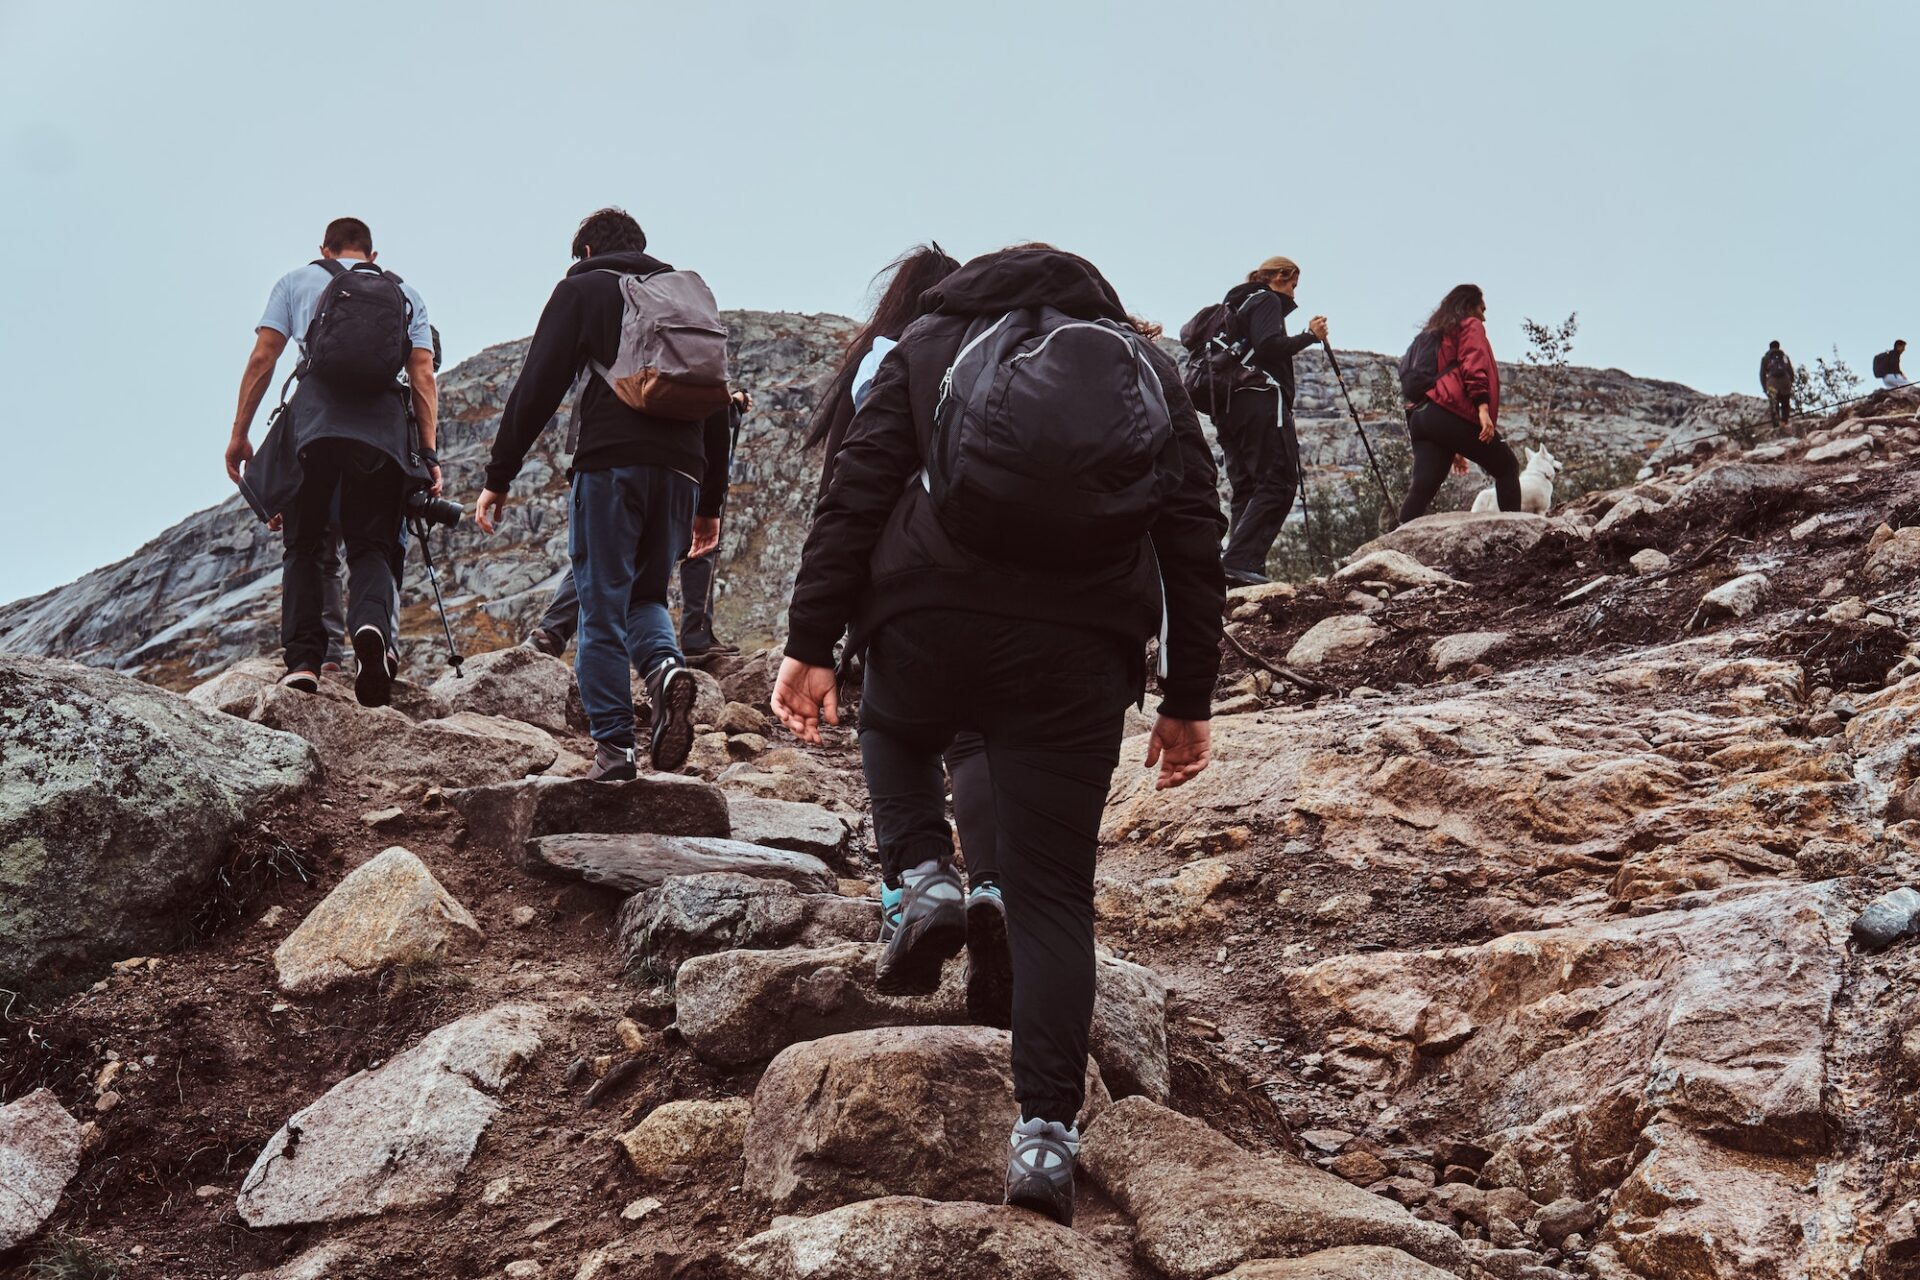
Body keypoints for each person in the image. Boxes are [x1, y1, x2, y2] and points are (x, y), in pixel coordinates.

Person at [771, 245, 1225, 1226]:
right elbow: (1193, 529)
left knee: (892, 725)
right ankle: (1044, 1140)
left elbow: (856, 487)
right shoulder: (1145, 369)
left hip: (931, 620)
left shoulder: (930, 338)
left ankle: (923, 874)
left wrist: (810, 641)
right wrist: (1189, 695)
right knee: (1054, 894)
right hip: (1081, 651)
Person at [475, 207, 730, 781]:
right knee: (645, 598)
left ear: (586, 252)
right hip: (682, 473)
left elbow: (536, 386)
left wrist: (498, 476)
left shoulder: (584, 289)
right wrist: (710, 502)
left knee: (600, 604)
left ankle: (615, 751)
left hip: (611, 465)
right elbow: (715, 395)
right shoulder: (685, 295)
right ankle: (665, 672)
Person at [226, 217, 440, 707]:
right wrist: (427, 453)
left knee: (304, 545)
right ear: (373, 254)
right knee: (372, 547)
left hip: (315, 427)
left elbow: (264, 357)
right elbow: (423, 373)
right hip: (382, 434)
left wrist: (240, 434)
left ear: (324, 249)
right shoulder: (406, 293)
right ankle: (369, 628)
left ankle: (304, 663)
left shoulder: (296, 281)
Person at [527, 388, 753, 660]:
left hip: (614, 463)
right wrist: (732, 404)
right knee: (698, 548)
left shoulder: (626, 357)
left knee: (601, 554)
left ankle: (550, 633)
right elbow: (703, 405)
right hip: (677, 470)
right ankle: (693, 638)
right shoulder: (688, 352)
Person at [1207, 256, 1328, 586]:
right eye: (1292, 283)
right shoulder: (1265, 300)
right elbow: (1269, 346)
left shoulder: (1236, 306)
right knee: (1278, 482)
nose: (1293, 291)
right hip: (1260, 400)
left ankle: (1242, 569)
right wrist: (1310, 336)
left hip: (1229, 407)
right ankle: (1239, 561)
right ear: (1277, 278)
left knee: (1246, 487)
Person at [1397, 284, 1521, 525]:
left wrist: (1452, 444)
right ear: (1468, 307)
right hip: (1447, 411)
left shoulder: (1437, 332)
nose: (1484, 317)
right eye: (1481, 309)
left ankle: (1394, 547)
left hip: (1422, 417)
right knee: (1507, 467)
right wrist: (1482, 408)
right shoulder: (1470, 325)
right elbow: (1473, 364)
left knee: (1423, 486)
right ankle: (1515, 537)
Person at [1760, 340, 1794, 429]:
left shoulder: (1766, 358)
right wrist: (1791, 383)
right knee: (1785, 403)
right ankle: (1784, 421)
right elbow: (1791, 371)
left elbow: (1762, 374)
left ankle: (1776, 425)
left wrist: (1764, 387)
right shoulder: (1785, 357)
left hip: (1772, 383)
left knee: (1774, 404)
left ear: (1770, 347)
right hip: (1785, 382)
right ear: (1779, 347)